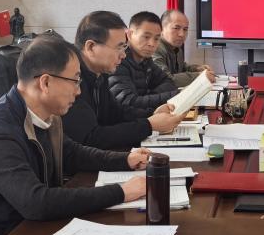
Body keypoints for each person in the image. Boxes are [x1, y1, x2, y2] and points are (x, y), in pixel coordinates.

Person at [0, 34, 150, 235]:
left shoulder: (44, 115)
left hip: (35, 233)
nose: (79, 91)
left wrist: (125, 159)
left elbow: (71, 153)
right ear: (45, 82)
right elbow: (35, 202)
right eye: (75, 81)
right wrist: (121, 192)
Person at [64, 10, 184, 150]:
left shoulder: (99, 72)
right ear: (91, 47)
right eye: (118, 47)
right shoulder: (70, 80)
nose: (123, 55)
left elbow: (117, 112)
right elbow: (90, 138)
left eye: (124, 47)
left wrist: (153, 114)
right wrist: (149, 125)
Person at [108, 11, 179, 118]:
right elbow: (128, 102)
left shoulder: (146, 60)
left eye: (156, 38)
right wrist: (175, 95)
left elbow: (169, 83)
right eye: (146, 37)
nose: (152, 44)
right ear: (130, 34)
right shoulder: (118, 61)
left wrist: (146, 97)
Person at [153, 9, 216, 88]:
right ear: (161, 29)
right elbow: (165, 80)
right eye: (176, 28)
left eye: (185, 29)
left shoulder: (177, 48)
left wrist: (197, 68)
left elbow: (181, 68)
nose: (182, 34)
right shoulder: (153, 49)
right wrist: (199, 76)